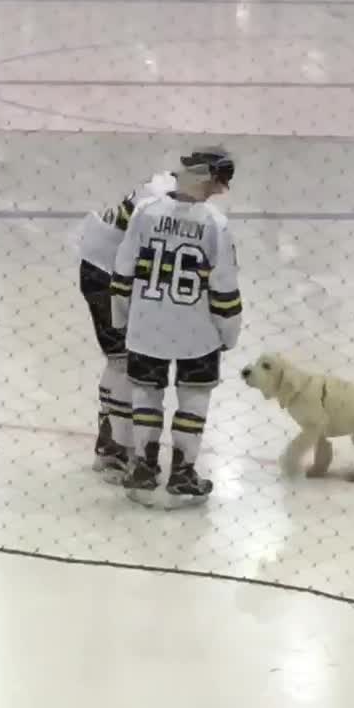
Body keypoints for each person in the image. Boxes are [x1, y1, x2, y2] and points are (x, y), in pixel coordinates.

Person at [110, 146, 241, 503]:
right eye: (220, 180)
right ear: (209, 178)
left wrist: (122, 316)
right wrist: (229, 332)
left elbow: (123, 269)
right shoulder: (215, 223)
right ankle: (183, 472)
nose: (223, 187)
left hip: (146, 326)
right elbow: (224, 286)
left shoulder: (146, 212)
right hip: (196, 332)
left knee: (145, 394)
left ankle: (144, 467)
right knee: (194, 399)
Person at [74, 168, 178, 477]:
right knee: (124, 362)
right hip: (107, 272)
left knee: (119, 360)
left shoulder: (164, 188)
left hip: (98, 266)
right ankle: (120, 452)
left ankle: (111, 448)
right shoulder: (168, 202)